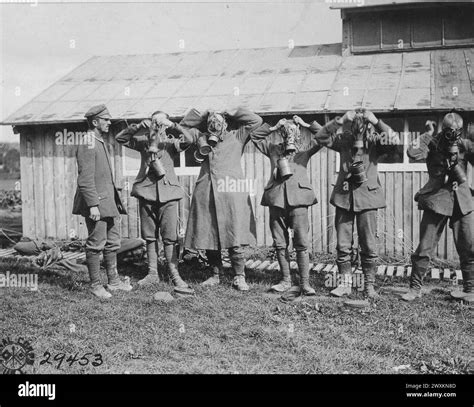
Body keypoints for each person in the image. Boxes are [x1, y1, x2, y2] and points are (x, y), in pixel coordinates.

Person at [314, 110, 399, 299]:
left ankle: (369, 286)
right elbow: (321, 137)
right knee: (343, 245)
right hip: (344, 198)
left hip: (368, 199)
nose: (358, 129)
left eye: (363, 125)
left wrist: (376, 121)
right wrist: (341, 120)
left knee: (368, 245)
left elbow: (395, 141)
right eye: (354, 125)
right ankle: (345, 284)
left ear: (368, 126)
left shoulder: (375, 141)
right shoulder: (344, 140)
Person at [183, 106, 262, 291]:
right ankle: (215, 275)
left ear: (225, 124)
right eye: (211, 121)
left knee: (234, 234)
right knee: (209, 235)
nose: (214, 124)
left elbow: (256, 121)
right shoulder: (201, 137)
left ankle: (239, 276)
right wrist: (202, 114)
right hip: (207, 191)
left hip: (231, 192)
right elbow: (183, 127)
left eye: (218, 121)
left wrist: (233, 111)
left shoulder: (237, 136)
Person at [115, 111, 194, 295]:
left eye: (161, 122)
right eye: (154, 121)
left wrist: (173, 125)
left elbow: (189, 140)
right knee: (150, 236)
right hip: (147, 193)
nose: (157, 125)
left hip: (169, 194)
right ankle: (152, 273)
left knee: (169, 237)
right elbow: (120, 139)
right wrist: (137, 127)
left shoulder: (170, 143)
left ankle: (174, 274)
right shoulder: (143, 141)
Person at [402, 113, 474, 303]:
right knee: (425, 246)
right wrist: (428, 134)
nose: (453, 135)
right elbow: (412, 152)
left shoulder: (464, 144)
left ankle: (470, 288)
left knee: (468, 245)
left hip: (462, 198)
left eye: (457, 132)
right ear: (443, 129)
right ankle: (415, 288)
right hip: (437, 198)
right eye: (450, 131)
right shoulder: (433, 142)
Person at [250, 115, 323, 301]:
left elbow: (324, 137)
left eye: (293, 130)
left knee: (301, 243)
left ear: (298, 133)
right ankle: (285, 280)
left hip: (299, 201)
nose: (289, 133)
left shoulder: (304, 150)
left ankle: (305, 283)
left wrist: (308, 125)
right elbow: (254, 137)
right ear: (282, 134)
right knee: (280, 243)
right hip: (276, 201)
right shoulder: (274, 149)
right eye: (286, 130)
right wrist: (273, 127)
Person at [72, 104, 130, 299]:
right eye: (106, 119)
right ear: (95, 122)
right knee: (96, 244)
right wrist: (93, 205)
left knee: (113, 242)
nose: (109, 122)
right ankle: (95, 285)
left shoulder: (99, 140)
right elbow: (85, 179)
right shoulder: (88, 142)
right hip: (97, 203)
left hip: (108, 202)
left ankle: (113, 281)